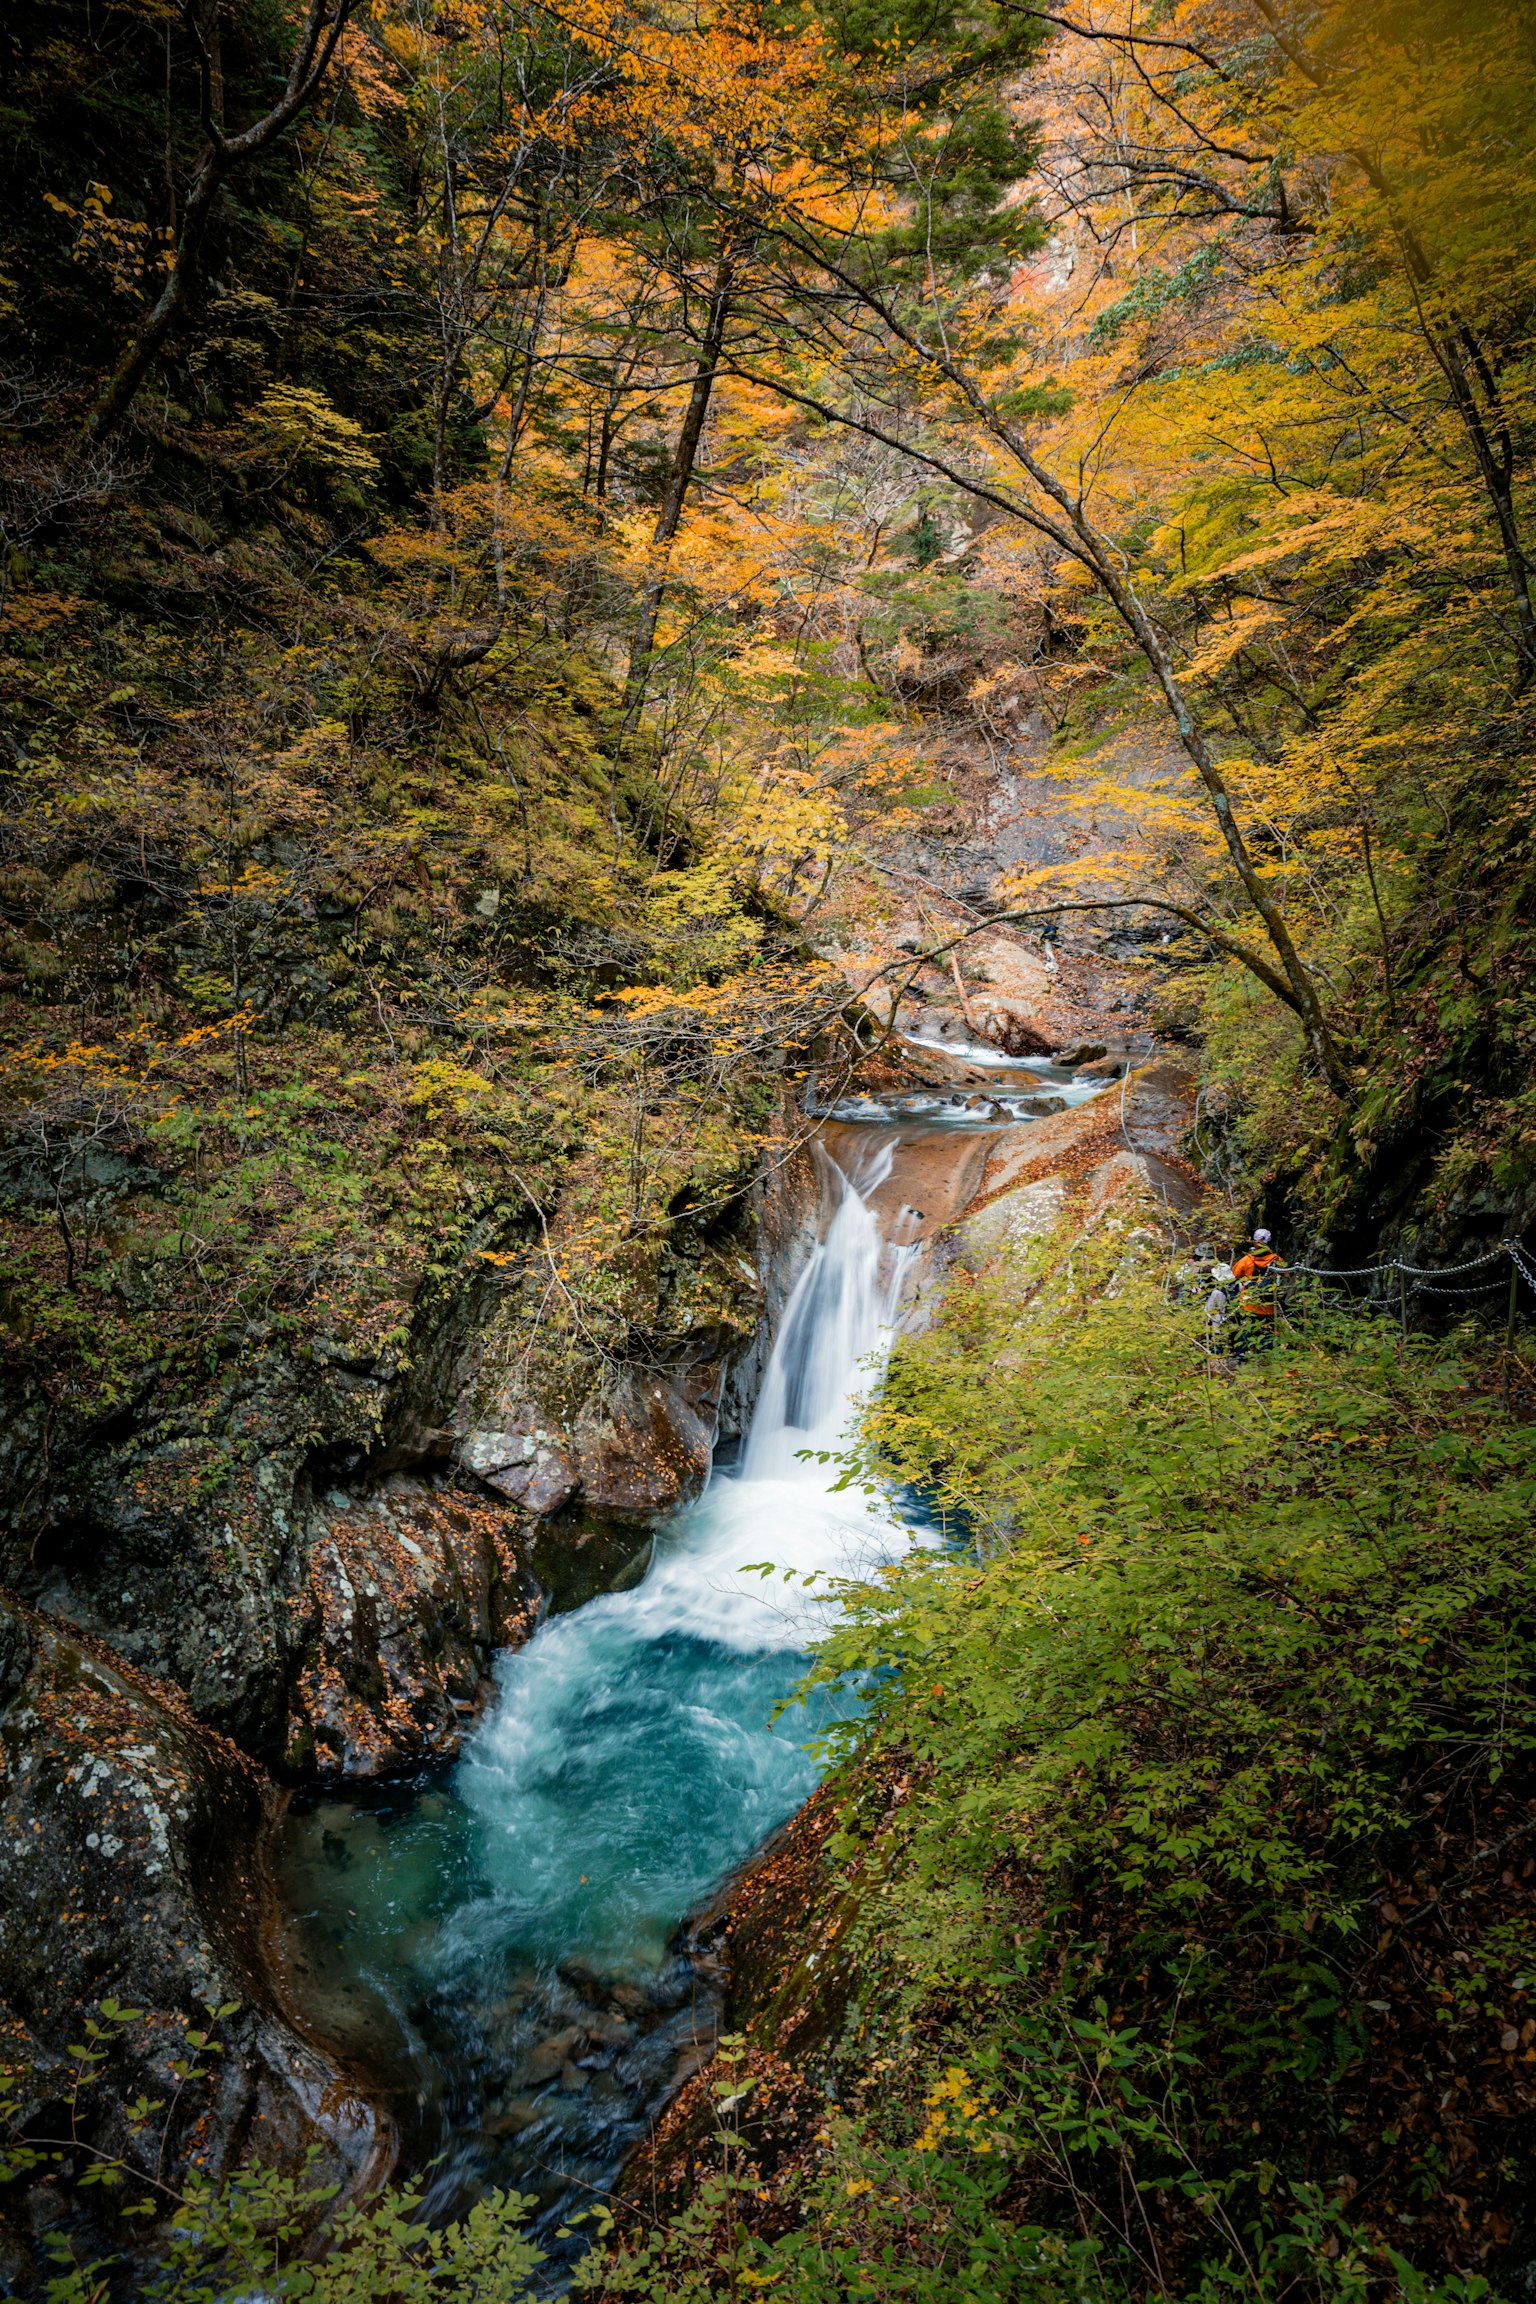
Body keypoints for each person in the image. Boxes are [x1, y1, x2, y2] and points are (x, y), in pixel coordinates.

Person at [1231, 1228, 1286, 1346]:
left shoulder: (1247, 1260)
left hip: (1249, 1304)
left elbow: (1235, 1273)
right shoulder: (1278, 1261)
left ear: (1254, 1243)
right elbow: (1285, 1275)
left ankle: (1247, 1357)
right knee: (1269, 1335)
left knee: (1248, 1334)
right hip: (1270, 1306)